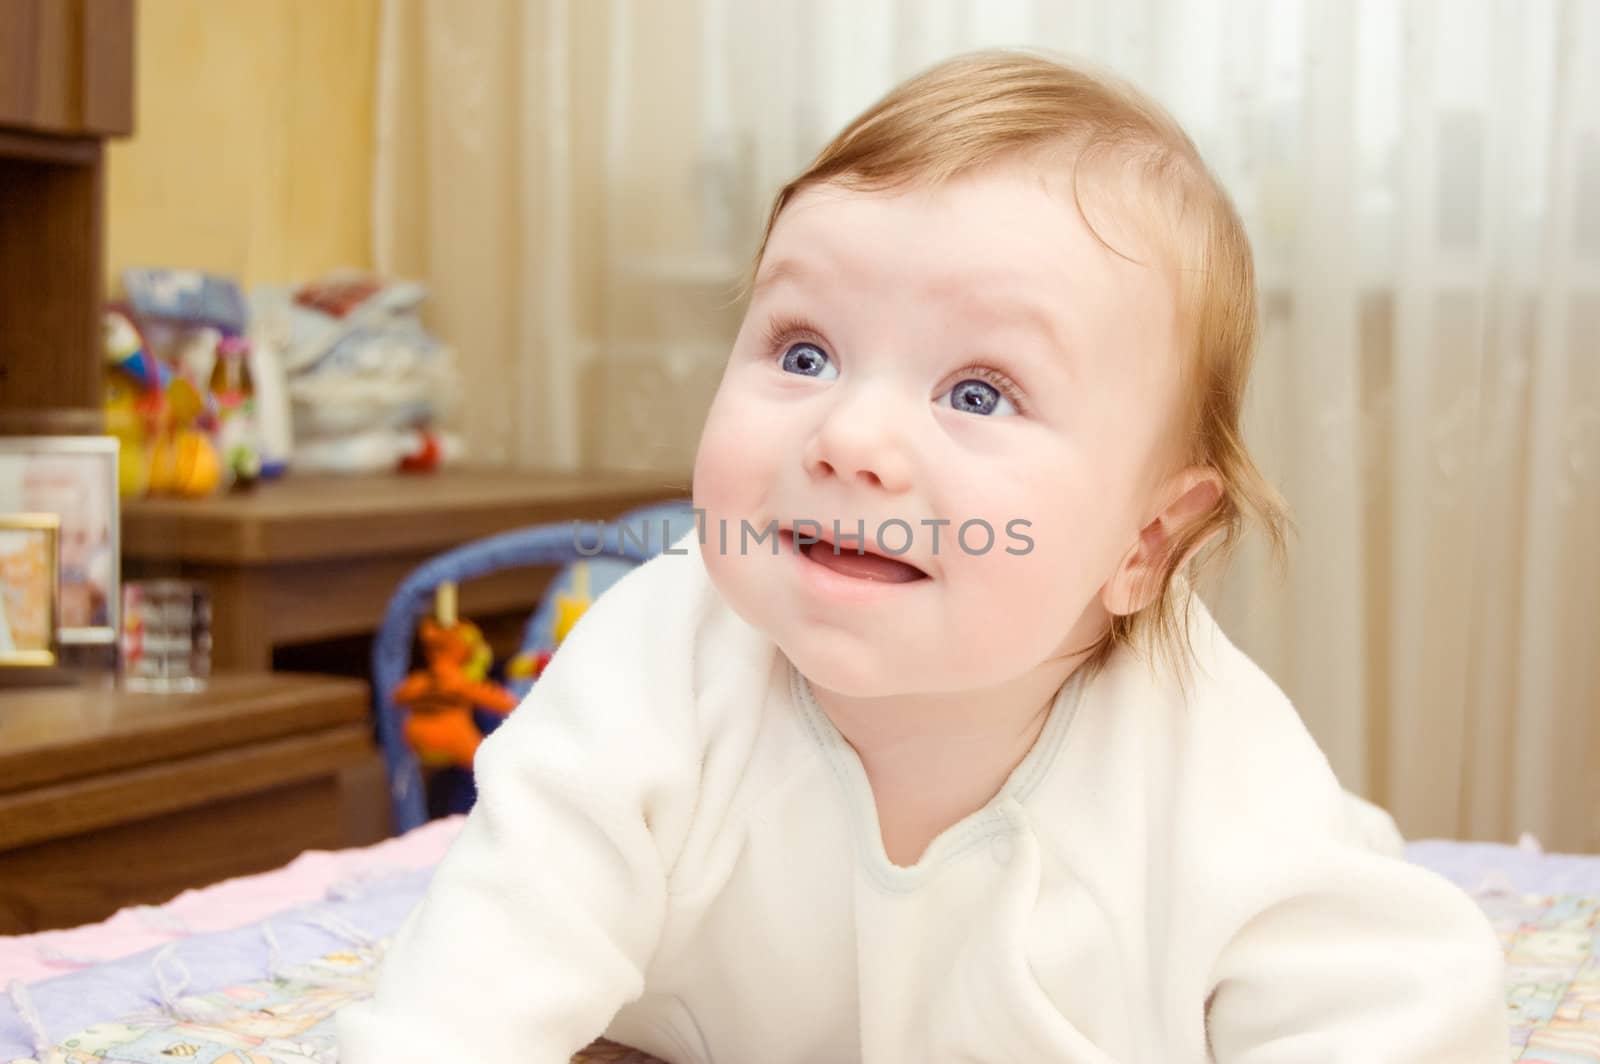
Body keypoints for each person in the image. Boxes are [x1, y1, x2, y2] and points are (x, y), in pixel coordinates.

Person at [338, 50, 1508, 1062]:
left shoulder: (1204, 756)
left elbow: (1403, 1012)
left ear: (1145, 541)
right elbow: (479, 968)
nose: (849, 439)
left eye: (979, 390)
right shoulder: (654, 665)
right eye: (802, 353)